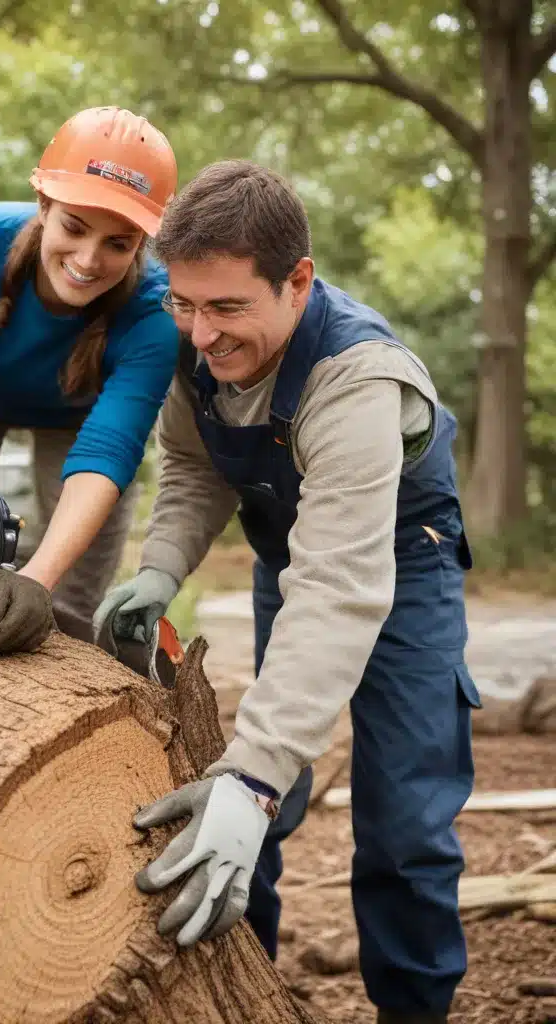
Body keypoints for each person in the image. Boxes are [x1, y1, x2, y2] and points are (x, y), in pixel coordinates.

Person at [93, 160, 480, 1024]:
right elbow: (195, 468)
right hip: (290, 564)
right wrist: (161, 566)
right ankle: (243, 990)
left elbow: (341, 588)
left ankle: (413, 1008)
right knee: (251, 781)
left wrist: (254, 779)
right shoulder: (198, 349)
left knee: (405, 820)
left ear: (297, 282)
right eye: (184, 305)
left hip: (397, 569)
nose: (201, 334)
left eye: (227, 307)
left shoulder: (358, 379)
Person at [0, 106, 179, 648]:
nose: (89, 259)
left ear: (141, 244)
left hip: (80, 423)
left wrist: (37, 583)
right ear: (44, 204)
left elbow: (109, 450)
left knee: (66, 599)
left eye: (118, 243)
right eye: (74, 226)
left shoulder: (154, 312)